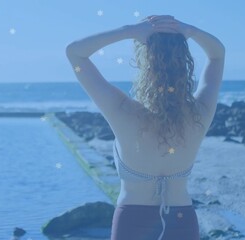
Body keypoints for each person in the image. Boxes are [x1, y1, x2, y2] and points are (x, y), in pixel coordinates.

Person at [66, 15, 225, 240]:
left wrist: (130, 30)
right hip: (182, 221)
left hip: (132, 222)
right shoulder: (200, 113)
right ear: (185, 63)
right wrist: (190, 31)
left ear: (144, 62)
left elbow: (75, 52)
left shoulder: (122, 111)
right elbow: (217, 56)